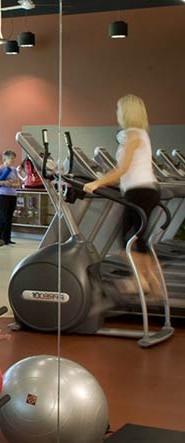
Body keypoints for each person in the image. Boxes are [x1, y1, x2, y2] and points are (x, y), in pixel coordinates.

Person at [83, 94, 162, 295]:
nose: (117, 113)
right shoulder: (141, 134)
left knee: (127, 242)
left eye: (119, 110)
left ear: (126, 113)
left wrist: (97, 183)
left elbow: (122, 169)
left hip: (139, 191)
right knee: (137, 240)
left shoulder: (132, 135)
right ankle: (151, 282)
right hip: (144, 190)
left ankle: (142, 281)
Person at [0, 150, 21, 245]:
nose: (13, 160)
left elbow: (17, 183)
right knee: (2, 217)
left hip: (12, 195)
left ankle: (7, 239)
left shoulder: (14, 169)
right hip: (2, 195)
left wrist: (13, 184)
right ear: (6, 159)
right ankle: (0, 239)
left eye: (14, 159)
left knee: (9, 218)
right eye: (11, 158)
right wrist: (6, 182)